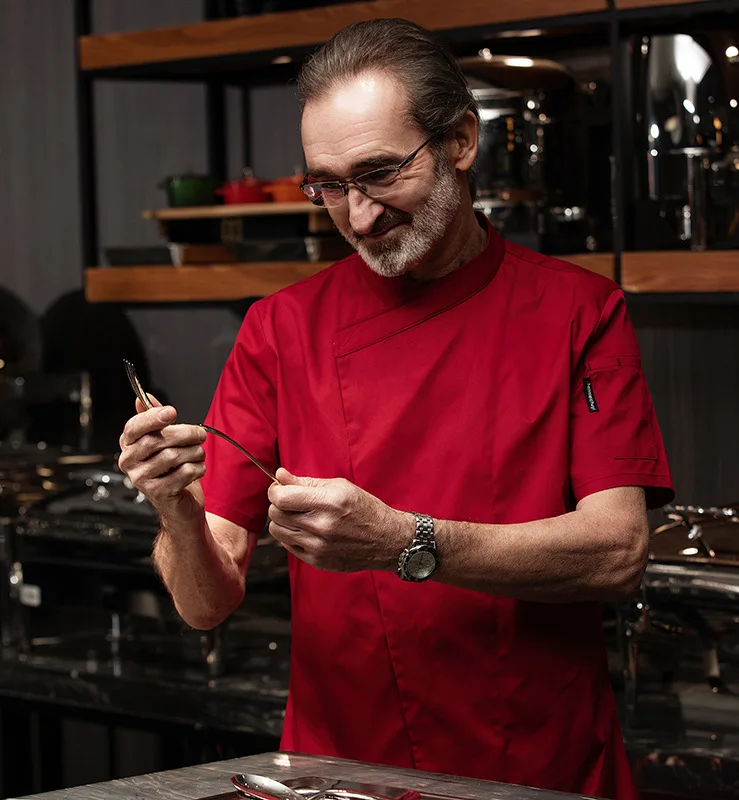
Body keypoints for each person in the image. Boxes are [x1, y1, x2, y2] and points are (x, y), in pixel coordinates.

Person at [118, 18, 673, 800]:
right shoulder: (280, 330)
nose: (359, 215)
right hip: (337, 772)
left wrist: (403, 541)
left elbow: (617, 552)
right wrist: (174, 509)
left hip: (535, 768)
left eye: (380, 174)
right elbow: (206, 605)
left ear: (460, 142)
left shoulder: (581, 312)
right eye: (329, 186)